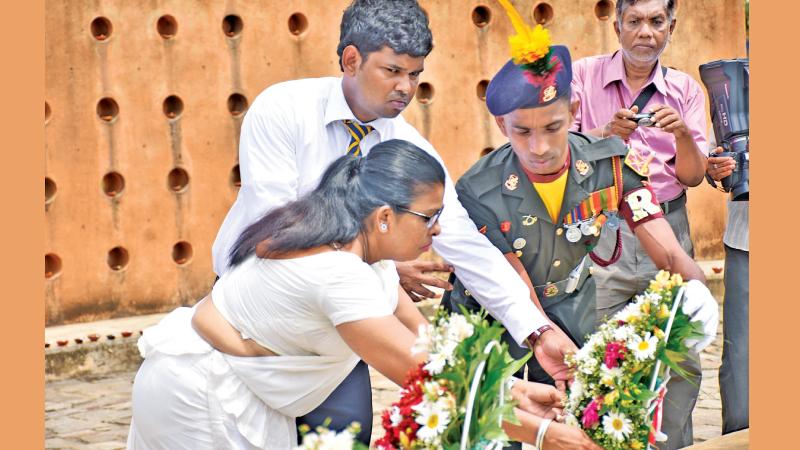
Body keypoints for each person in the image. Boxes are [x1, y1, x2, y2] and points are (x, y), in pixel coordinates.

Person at [209, 0, 577, 439]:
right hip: (258, 314)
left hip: (340, 326)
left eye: (416, 74)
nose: (407, 87)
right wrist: (377, 257)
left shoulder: (409, 146)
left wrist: (536, 331)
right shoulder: (283, 110)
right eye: (393, 71)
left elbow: (466, 245)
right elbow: (278, 231)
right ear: (351, 60)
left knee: (346, 435)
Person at [128, 142, 596, 450]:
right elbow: (428, 383)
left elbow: (431, 352)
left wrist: (511, 388)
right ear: (386, 217)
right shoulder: (340, 275)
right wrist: (544, 438)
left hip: (243, 391)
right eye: (430, 218)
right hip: (202, 396)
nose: (437, 232)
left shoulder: (365, 254)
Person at [441, 6, 719, 447]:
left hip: (572, 308)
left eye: (553, 127)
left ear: (573, 109)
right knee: (495, 432)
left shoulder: (608, 162)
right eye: (521, 132)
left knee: (583, 423)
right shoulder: (479, 188)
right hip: (489, 322)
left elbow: (663, 243)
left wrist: (696, 285)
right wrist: (541, 336)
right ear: (500, 125)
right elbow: (516, 289)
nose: (539, 147)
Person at [569, 1, 710, 447]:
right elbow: (560, 156)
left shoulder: (685, 90)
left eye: (655, 22)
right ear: (617, 26)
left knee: (679, 348)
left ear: (671, 26)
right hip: (603, 228)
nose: (644, 32)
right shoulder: (582, 76)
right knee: (596, 349)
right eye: (634, 21)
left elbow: (692, 176)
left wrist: (683, 135)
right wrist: (605, 135)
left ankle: (673, 442)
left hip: (668, 224)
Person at [707, 147, 749, 434]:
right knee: (742, 357)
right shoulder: (733, 100)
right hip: (749, 235)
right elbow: (714, 157)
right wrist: (716, 169)